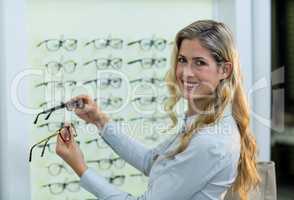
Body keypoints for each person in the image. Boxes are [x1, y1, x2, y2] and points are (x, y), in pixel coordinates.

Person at [56, 20, 260, 200]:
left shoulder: (209, 141)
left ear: (224, 70)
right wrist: (98, 120)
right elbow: (150, 162)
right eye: (182, 60)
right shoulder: (202, 121)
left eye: (199, 63)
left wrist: (80, 168)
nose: (186, 73)